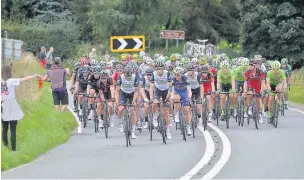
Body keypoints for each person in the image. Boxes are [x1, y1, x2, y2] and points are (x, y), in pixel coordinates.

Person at [1, 65, 42, 151]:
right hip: (12, 104)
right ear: (9, 72)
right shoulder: (11, 81)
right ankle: (13, 149)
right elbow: (25, 79)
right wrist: (35, 75)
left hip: (2, 105)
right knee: (13, 129)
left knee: (4, 129)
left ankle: (5, 148)